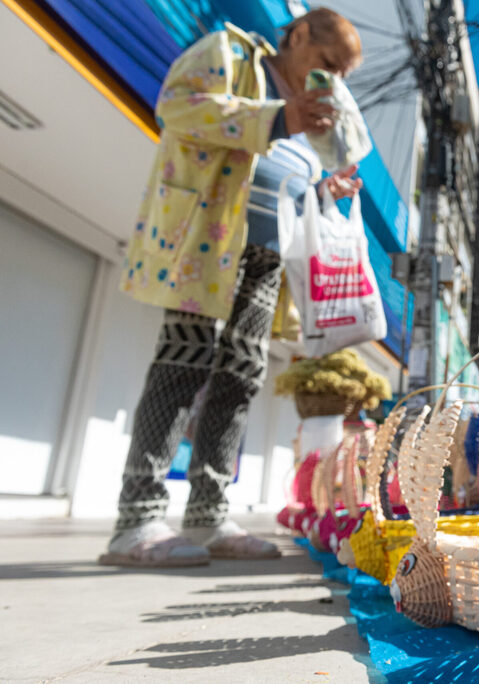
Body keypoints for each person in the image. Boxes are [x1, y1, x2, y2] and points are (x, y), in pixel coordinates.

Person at [100, 9, 365, 567]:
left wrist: (323, 190)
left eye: (342, 74)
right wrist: (277, 116)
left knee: (242, 376)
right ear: (296, 38)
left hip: (267, 256)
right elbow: (176, 105)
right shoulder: (231, 54)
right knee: (184, 362)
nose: (331, 80)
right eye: (327, 64)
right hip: (209, 240)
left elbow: (284, 174)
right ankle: (137, 518)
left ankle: (209, 514)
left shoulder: (305, 113)